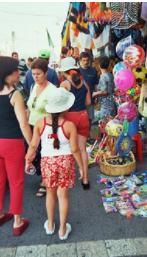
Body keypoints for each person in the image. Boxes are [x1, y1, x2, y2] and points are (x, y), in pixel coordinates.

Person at [0, 56, 32, 236]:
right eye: (15, 70)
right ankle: (18, 221)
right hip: (11, 142)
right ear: (6, 73)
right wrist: (32, 145)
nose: (19, 72)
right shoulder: (14, 94)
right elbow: (23, 124)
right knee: (16, 181)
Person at [25, 87, 84, 241]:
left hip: (47, 162)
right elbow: (75, 149)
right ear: (66, 107)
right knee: (63, 196)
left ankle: (50, 225)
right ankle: (63, 230)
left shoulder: (40, 123)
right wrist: (82, 168)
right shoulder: (70, 125)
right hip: (65, 162)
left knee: (50, 193)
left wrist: (28, 160)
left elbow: (33, 145)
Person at [58, 57, 91, 190]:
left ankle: (67, 177)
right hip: (83, 116)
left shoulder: (64, 85)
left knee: (67, 148)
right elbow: (88, 103)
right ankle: (85, 180)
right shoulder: (84, 83)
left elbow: (60, 105)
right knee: (82, 149)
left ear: (64, 71)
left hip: (68, 117)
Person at [27, 58, 57, 197]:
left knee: (44, 154)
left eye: (38, 74)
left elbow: (55, 112)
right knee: (36, 155)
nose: (35, 77)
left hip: (45, 127)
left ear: (46, 73)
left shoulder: (52, 90)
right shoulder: (34, 86)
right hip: (33, 126)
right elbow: (29, 107)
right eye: (33, 74)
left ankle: (46, 182)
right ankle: (43, 177)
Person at [79, 52, 98, 127]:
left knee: (90, 118)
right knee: (81, 119)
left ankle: (89, 136)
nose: (86, 62)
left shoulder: (93, 71)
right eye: (84, 60)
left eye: (87, 60)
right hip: (80, 100)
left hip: (90, 99)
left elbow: (95, 84)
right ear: (80, 60)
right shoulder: (78, 71)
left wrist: (96, 96)